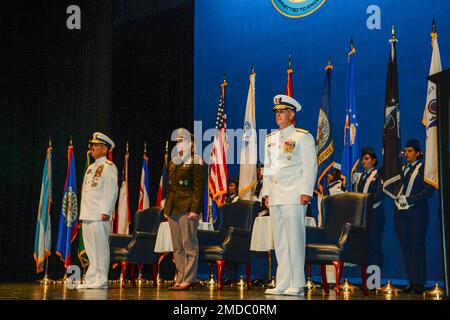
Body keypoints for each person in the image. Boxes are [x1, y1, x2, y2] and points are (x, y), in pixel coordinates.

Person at [262, 94, 318, 296]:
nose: (278, 115)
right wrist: (266, 193)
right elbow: (268, 169)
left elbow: (310, 165)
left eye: (282, 111)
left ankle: (297, 282)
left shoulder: (302, 137)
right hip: (276, 196)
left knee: (295, 239)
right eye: (276, 112)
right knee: (280, 241)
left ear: (292, 114)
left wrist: (306, 191)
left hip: (294, 195)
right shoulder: (270, 139)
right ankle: (283, 282)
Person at [165, 128, 205, 291]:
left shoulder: (196, 160)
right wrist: (167, 208)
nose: (179, 144)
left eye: (183, 141)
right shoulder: (174, 161)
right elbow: (171, 187)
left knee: (189, 244)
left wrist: (195, 209)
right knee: (177, 246)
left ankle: (189, 278)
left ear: (191, 144)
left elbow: (198, 188)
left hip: (188, 206)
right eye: (178, 141)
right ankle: (180, 276)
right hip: (173, 206)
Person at [78, 132, 118, 289]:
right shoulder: (90, 168)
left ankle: (101, 279)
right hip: (88, 213)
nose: (92, 148)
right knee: (90, 249)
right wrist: (83, 214)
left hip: (99, 214)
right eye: (92, 145)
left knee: (100, 248)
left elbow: (111, 190)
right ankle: (91, 279)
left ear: (105, 149)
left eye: (96, 145)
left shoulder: (109, 167)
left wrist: (106, 211)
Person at [394, 139, 434, 294]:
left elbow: (429, 191)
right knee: (406, 248)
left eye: (410, 151)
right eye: (405, 151)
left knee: (417, 247)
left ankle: (419, 283)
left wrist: (409, 200)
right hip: (401, 213)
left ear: (418, 153)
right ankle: (411, 281)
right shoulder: (402, 168)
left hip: (417, 213)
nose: (406, 153)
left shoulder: (424, 168)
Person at [353, 147, 385, 272]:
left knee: (374, 247)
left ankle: (374, 281)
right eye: (362, 159)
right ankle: (366, 280)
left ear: (374, 160)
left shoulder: (378, 175)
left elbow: (382, 192)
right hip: (363, 215)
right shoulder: (361, 177)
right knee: (364, 247)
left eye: (366, 159)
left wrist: (368, 202)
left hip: (375, 214)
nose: (363, 161)